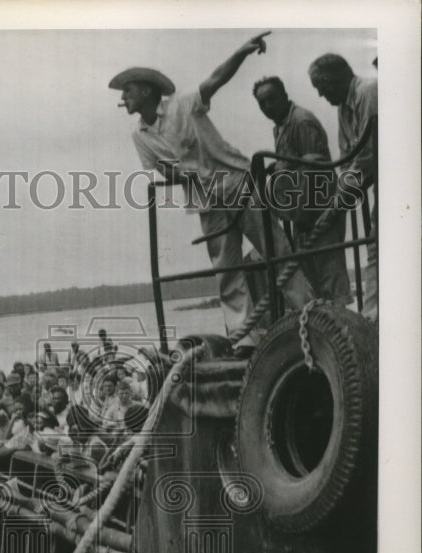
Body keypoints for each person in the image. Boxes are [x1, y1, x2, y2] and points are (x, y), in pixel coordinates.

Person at [110, 32, 312, 343]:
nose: (123, 98)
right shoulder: (140, 135)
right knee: (226, 268)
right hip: (206, 200)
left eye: (127, 91)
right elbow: (159, 169)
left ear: (146, 90)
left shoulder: (184, 104)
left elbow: (216, 79)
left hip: (236, 183)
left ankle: (311, 316)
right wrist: (181, 174)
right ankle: (244, 337)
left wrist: (242, 51)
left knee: (276, 249)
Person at [253, 76, 351, 305]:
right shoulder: (280, 126)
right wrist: (278, 167)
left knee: (331, 279)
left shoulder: (301, 121)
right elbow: (295, 162)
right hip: (303, 215)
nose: (267, 107)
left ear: (285, 96)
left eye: (271, 99)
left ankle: (344, 333)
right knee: (312, 282)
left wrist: (308, 217)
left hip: (321, 210)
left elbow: (316, 170)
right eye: (262, 104)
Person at [308, 53, 377, 319]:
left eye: (321, 88)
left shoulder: (367, 94)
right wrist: (340, 199)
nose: (320, 95)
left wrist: (338, 202)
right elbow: (347, 155)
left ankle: (373, 318)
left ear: (333, 80)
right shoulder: (343, 107)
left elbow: (366, 155)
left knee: (378, 245)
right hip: (372, 180)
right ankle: (371, 316)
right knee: (375, 245)